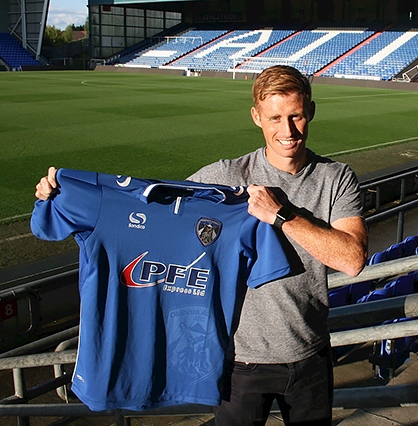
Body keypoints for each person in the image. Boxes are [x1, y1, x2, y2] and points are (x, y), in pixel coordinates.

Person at [35, 65, 368, 425]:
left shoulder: (336, 178)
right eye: (275, 118)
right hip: (238, 362)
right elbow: (158, 207)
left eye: (296, 116)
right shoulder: (227, 177)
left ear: (311, 112)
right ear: (256, 117)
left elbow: (352, 260)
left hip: (310, 355)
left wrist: (281, 214)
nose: (286, 131)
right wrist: (64, 194)